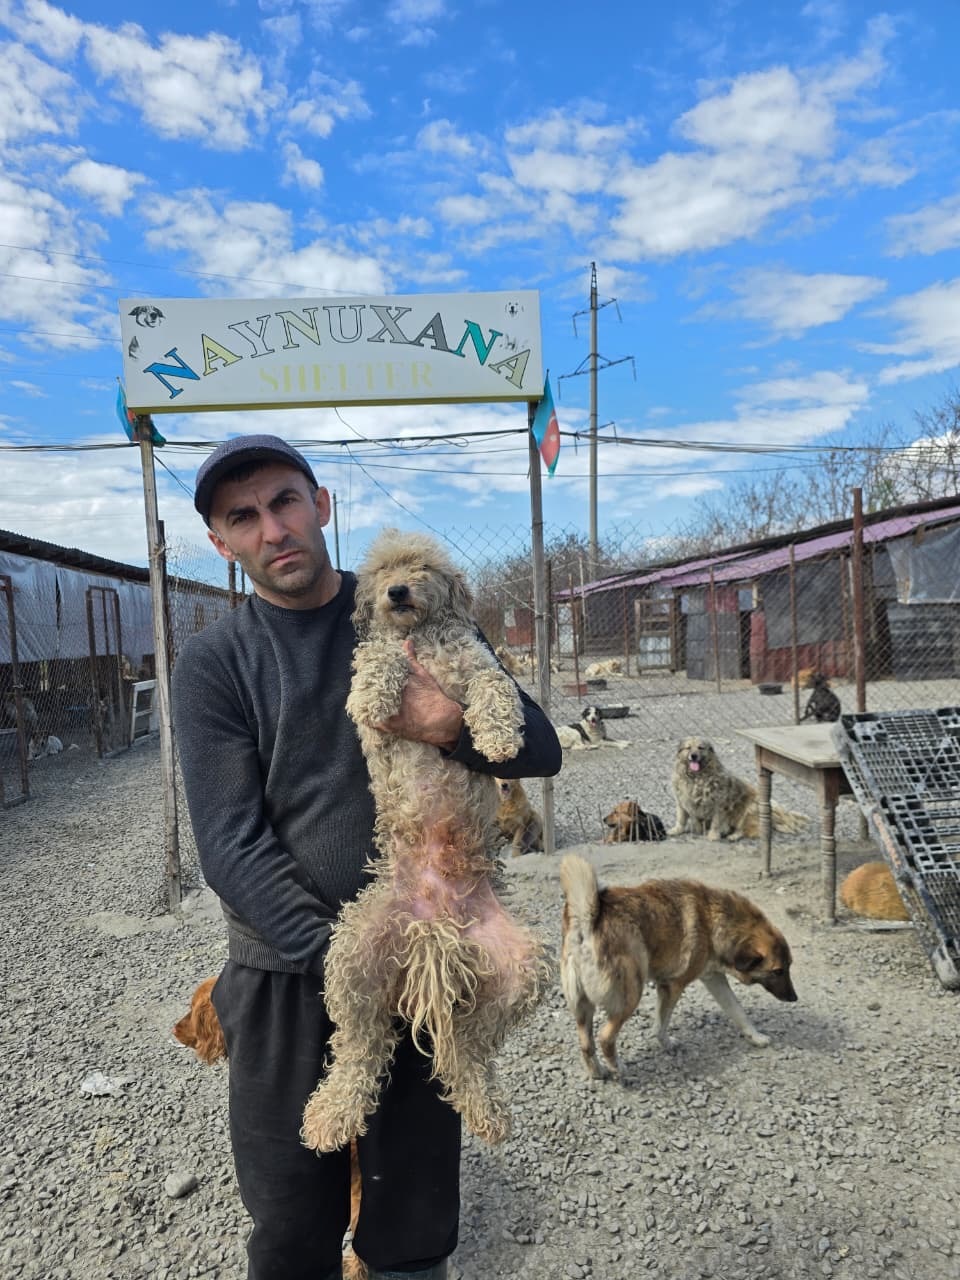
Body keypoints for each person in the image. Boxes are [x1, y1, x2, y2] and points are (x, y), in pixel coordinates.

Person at [171, 434, 561, 1280]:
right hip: (286, 972)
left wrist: (446, 727)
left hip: (433, 945)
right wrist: (350, 962)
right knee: (290, 1223)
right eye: (244, 517)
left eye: (285, 501)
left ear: (321, 505)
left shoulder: (407, 604)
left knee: (412, 1222)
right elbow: (230, 845)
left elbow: (540, 747)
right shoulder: (214, 662)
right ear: (221, 542)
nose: (273, 529)